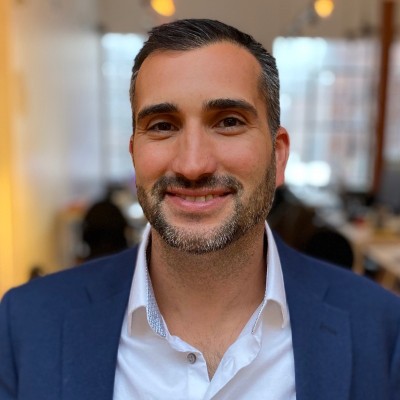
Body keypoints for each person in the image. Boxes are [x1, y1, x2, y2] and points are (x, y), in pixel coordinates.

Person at [0, 19, 399, 400]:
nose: (193, 165)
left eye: (228, 121)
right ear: (134, 154)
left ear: (278, 157)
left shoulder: (380, 328)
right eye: (162, 125)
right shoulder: (27, 325)